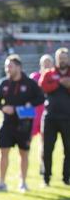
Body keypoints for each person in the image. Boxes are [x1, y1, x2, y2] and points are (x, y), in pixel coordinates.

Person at [0, 55, 45, 192]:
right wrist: (3, 108)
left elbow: (41, 98)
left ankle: (23, 183)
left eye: (11, 66)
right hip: (7, 123)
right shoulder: (4, 83)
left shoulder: (30, 83)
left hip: (24, 124)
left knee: (24, 153)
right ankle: (2, 183)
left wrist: (29, 105)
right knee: (3, 152)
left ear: (19, 67)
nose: (8, 69)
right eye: (6, 66)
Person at [39, 47, 70, 186]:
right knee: (47, 148)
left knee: (68, 148)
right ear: (56, 59)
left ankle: (67, 177)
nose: (62, 60)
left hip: (67, 117)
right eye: (60, 58)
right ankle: (46, 177)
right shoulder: (49, 74)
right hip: (50, 117)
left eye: (64, 58)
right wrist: (59, 83)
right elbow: (43, 86)